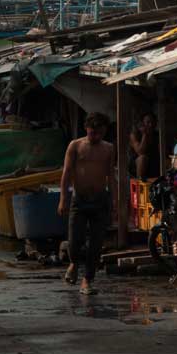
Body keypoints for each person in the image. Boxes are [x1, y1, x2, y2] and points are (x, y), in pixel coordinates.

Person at [58, 112, 115, 295]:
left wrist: (114, 201)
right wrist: (63, 199)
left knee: (96, 244)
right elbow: (66, 174)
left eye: (99, 133)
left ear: (104, 131)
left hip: (99, 199)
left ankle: (87, 280)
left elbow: (110, 176)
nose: (95, 137)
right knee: (75, 240)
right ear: (86, 129)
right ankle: (74, 263)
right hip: (79, 199)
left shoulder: (108, 148)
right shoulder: (75, 146)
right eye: (92, 133)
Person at [129, 112, 161, 179]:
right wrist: (144, 134)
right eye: (148, 122)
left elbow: (162, 152)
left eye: (153, 122)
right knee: (142, 158)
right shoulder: (135, 135)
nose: (151, 125)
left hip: (153, 164)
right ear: (142, 123)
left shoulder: (157, 135)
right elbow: (140, 152)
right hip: (137, 166)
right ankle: (140, 185)